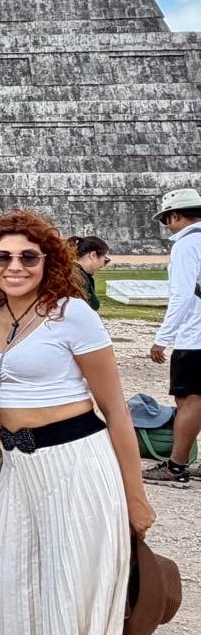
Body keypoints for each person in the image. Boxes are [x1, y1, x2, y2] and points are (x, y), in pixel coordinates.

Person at [0, 210, 155, 635]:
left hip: (77, 463)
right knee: (16, 582)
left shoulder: (73, 315)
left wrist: (135, 495)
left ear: (48, 261)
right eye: (3, 257)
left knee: (76, 594)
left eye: (28, 256)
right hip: (20, 469)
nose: (15, 266)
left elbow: (116, 410)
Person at [145, 188, 201, 486]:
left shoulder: (186, 244)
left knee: (189, 399)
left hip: (196, 336)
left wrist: (162, 338)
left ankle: (176, 465)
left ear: (175, 216)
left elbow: (182, 295)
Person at [72, 236, 110, 310]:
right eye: (104, 257)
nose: (103, 264)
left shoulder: (74, 273)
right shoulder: (77, 277)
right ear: (93, 255)